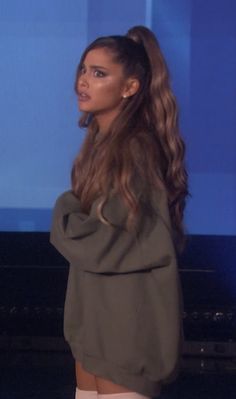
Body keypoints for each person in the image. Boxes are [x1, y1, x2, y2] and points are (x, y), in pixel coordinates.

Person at [50, 25, 189, 399]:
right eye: (83, 69)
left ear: (130, 87)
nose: (83, 81)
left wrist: (65, 207)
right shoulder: (100, 147)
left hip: (126, 330)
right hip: (94, 324)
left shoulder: (136, 150)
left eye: (99, 73)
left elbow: (103, 241)